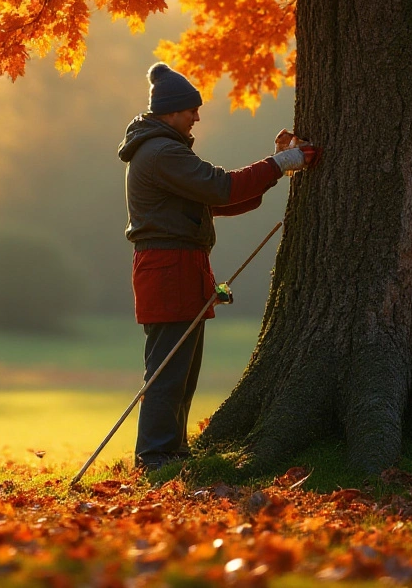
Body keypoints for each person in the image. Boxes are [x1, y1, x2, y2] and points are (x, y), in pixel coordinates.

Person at [117, 62, 316, 472]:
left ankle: (170, 452)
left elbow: (218, 201)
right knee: (169, 370)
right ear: (170, 111)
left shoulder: (163, 148)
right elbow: (220, 187)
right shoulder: (161, 152)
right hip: (168, 268)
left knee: (183, 370)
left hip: (181, 267)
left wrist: (277, 166)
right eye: (191, 109)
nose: (197, 116)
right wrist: (279, 165)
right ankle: (154, 456)